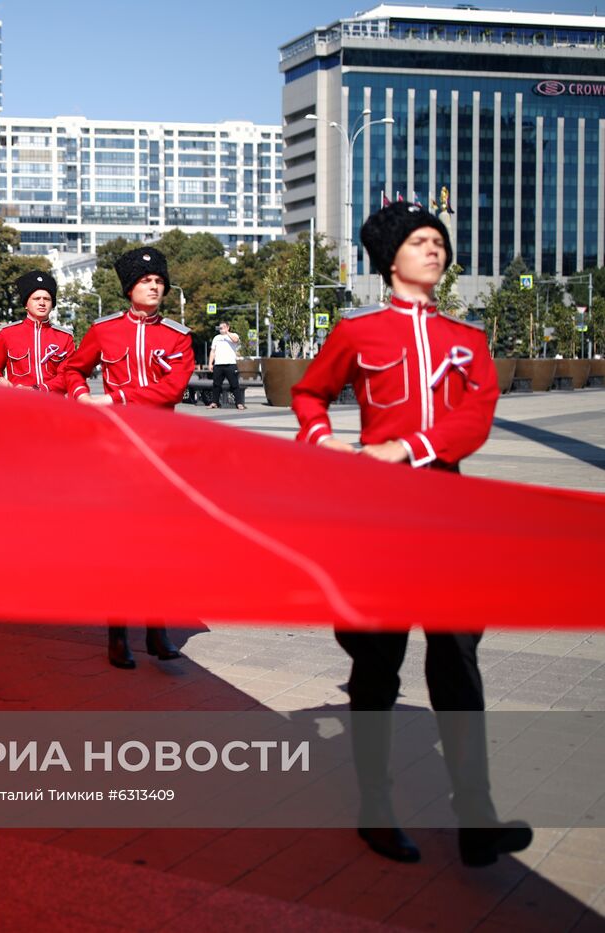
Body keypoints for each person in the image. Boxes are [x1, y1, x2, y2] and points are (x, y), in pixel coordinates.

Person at [291, 200, 531, 868]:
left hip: (448, 521)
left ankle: (476, 815)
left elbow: (476, 414)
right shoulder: (357, 332)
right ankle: (376, 806)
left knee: (458, 659)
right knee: (376, 663)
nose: (434, 250)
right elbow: (310, 393)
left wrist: (410, 447)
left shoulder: (468, 339)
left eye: (438, 241)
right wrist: (321, 437)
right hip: (378, 524)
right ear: (389, 258)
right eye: (419, 241)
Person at [62, 247, 192, 667]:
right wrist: (81, 395)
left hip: (159, 450)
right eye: (146, 281)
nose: (154, 286)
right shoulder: (104, 331)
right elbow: (73, 369)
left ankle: (157, 629)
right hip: (115, 450)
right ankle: (118, 634)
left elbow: (172, 390)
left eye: (159, 281)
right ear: (130, 288)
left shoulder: (177, 337)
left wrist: (115, 396)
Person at [0, 272, 74, 392]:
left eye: (47, 299)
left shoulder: (65, 337)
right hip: (19, 403)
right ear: (26, 304)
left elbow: (69, 375)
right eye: (36, 298)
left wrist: (39, 389)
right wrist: (1, 382)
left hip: (53, 404)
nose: (42, 303)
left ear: (52, 304)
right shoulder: (7, 334)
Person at [207, 321, 246, 410]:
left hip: (230, 364)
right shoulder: (216, 338)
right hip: (218, 364)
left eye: (222, 327)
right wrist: (210, 363)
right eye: (220, 328)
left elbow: (235, 340)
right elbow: (213, 351)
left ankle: (239, 403)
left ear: (227, 327)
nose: (221, 329)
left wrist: (227, 333)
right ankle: (215, 402)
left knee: (234, 384)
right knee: (216, 384)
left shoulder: (234, 335)